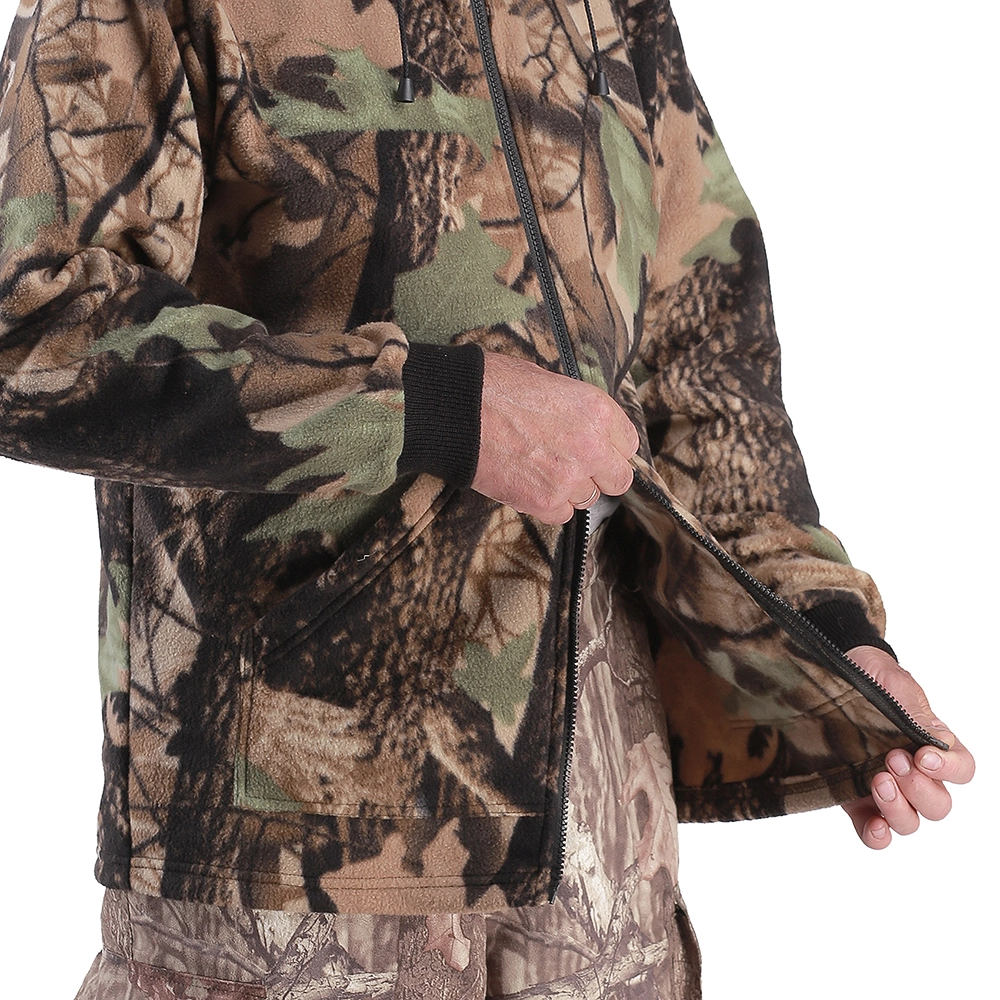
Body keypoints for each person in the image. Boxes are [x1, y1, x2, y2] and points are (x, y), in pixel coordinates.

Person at [0, 0, 975, 996]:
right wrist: (432, 408)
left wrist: (827, 642)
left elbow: (702, 350)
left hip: (600, 869)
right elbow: (28, 323)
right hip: (295, 863)